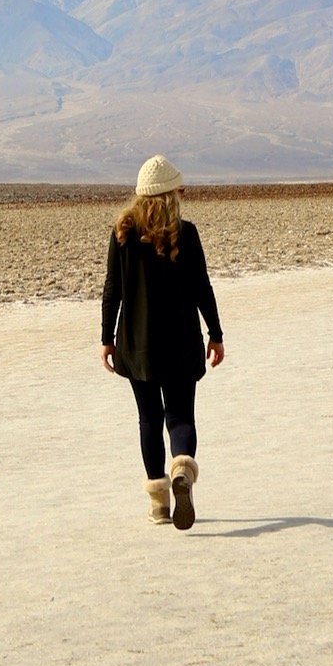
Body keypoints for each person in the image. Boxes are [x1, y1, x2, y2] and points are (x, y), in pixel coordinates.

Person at [101, 155, 225, 531]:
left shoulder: (122, 232)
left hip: (136, 343)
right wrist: (215, 334)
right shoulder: (185, 233)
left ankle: (158, 504)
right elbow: (202, 288)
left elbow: (112, 290)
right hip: (182, 341)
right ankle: (182, 469)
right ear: (171, 194)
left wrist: (106, 338)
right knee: (181, 416)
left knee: (149, 419)